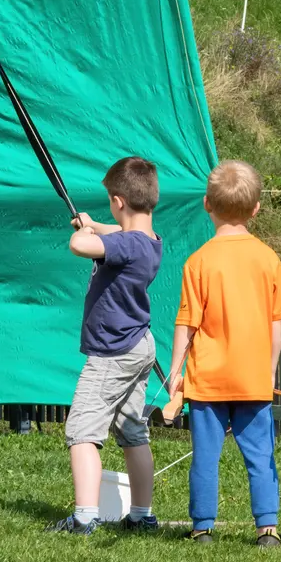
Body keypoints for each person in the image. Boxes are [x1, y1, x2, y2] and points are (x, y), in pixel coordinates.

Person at [168, 160, 281, 546]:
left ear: (207, 204)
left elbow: (186, 324)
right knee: (260, 456)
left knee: (205, 456)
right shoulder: (268, 259)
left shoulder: (198, 261)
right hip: (252, 377)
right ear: (256, 208)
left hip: (208, 380)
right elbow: (277, 322)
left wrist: (175, 372)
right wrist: (269, 369)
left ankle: (202, 528)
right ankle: (267, 530)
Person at [47, 156, 162, 535]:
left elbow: (80, 246)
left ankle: (83, 518)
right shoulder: (149, 240)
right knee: (132, 432)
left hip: (113, 353)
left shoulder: (126, 245)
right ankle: (141, 515)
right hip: (139, 347)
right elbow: (119, 231)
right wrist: (96, 224)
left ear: (118, 200)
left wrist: (86, 234)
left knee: (82, 431)